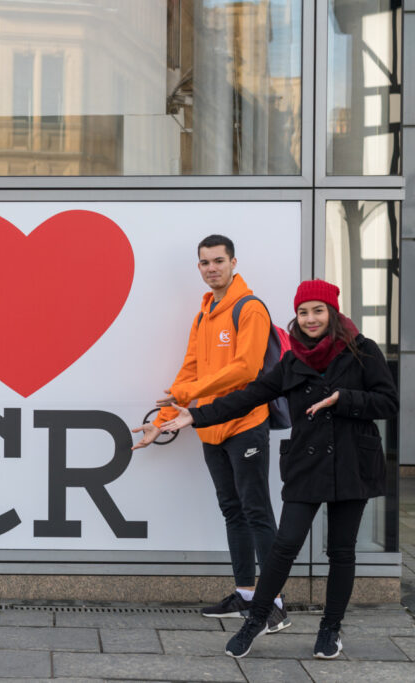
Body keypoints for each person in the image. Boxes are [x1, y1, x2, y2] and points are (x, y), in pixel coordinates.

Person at [161, 280, 398, 659]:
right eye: (303, 312)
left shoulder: (363, 351)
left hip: (353, 463)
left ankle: (330, 630)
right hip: (307, 465)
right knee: (284, 545)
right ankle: (256, 620)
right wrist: (195, 414)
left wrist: (344, 399)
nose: (310, 319)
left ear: (332, 312)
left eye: (318, 310)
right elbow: (248, 396)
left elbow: (388, 402)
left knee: (342, 551)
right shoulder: (293, 360)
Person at [131, 235, 288, 630]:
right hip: (209, 428)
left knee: (257, 512)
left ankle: (275, 604)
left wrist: (187, 393)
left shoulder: (250, 309)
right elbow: (190, 370)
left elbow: (247, 369)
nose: (211, 268)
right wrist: (163, 419)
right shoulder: (203, 314)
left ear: (234, 262)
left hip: (245, 424)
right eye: (204, 263)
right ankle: (247, 594)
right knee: (232, 510)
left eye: (218, 261)